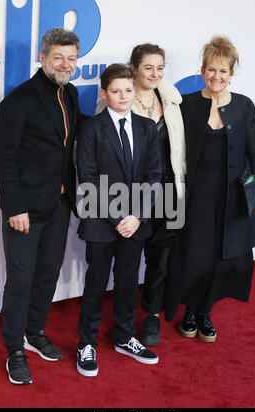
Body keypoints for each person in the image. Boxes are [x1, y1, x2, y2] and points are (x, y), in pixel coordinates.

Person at [0, 28, 85, 385]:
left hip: (59, 204)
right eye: (59, 57)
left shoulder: (71, 93)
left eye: (72, 59)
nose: (66, 64)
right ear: (43, 58)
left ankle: (35, 331)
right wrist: (14, 207)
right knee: (20, 280)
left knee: (48, 275)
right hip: (25, 210)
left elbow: (70, 137)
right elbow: (4, 157)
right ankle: (14, 347)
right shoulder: (18, 101)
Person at [165, 36, 255, 342]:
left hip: (231, 196)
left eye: (223, 71)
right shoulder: (188, 106)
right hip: (196, 195)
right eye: (211, 70)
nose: (217, 77)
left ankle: (205, 312)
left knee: (222, 257)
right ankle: (190, 310)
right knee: (193, 255)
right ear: (202, 71)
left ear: (232, 74)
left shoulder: (243, 106)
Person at [96, 44, 186, 346]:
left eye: (160, 67)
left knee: (161, 261)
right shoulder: (119, 99)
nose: (155, 73)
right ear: (134, 68)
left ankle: (152, 318)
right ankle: (121, 323)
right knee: (128, 261)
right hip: (130, 196)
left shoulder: (172, 98)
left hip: (170, 192)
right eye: (149, 67)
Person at [76, 64, 162, 377]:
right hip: (101, 222)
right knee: (96, 283)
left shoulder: (147, 127)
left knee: (128, 282)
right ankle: (86, 342)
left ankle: (125, 337)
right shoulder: (91, 129)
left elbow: (154, 175)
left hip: (136, 222)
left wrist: (137, 215)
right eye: (115, 91)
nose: (123, 96)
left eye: (128, 90)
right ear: (104, 93)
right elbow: (87, 178)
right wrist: (117, 217)